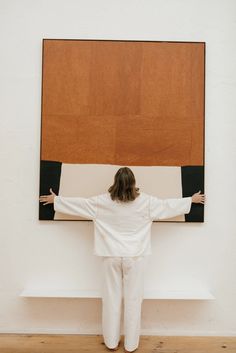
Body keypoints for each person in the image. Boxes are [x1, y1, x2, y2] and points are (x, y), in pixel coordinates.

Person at [39, 166, 205, 353]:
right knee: (134, 301)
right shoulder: (146, 202)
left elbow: (78, 205)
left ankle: (111, 343)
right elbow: (168, 206)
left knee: (111, 300)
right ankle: (131, 345)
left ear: (115, 182)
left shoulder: (101, 202)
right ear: (133, 183)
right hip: (135, 258)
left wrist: (56, 200)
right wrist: (191, 200)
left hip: (110, 256)